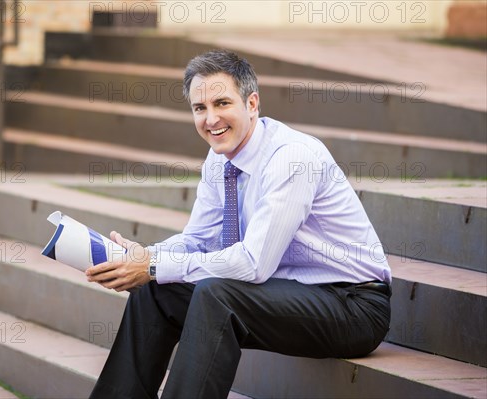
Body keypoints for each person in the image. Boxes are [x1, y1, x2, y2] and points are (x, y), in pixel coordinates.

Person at [86, 50, 391, 399]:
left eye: (221, 103)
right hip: (285, 294)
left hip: (352, 306)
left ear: (252, 103)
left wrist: (154, 265)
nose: (211, 119)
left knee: (217, 293)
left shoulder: (291, 157)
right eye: (200, 109)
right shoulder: (219, 160)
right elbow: (199, 240)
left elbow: (253, 264)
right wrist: (143, 257)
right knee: (155, 289)